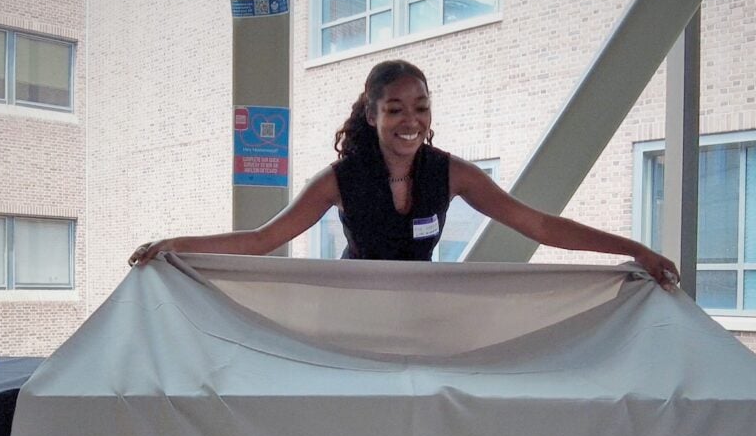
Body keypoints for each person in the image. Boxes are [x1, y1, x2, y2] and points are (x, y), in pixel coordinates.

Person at [128, 59, 679, 288]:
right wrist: (172, 245)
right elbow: (262, 239)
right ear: (373, 115)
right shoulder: (338, 179)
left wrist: (636, 249)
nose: (410, 120)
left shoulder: (453, 174)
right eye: (395, 108)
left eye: (420, 107)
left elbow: (540, 227)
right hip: (353, 311)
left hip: (420, 309)